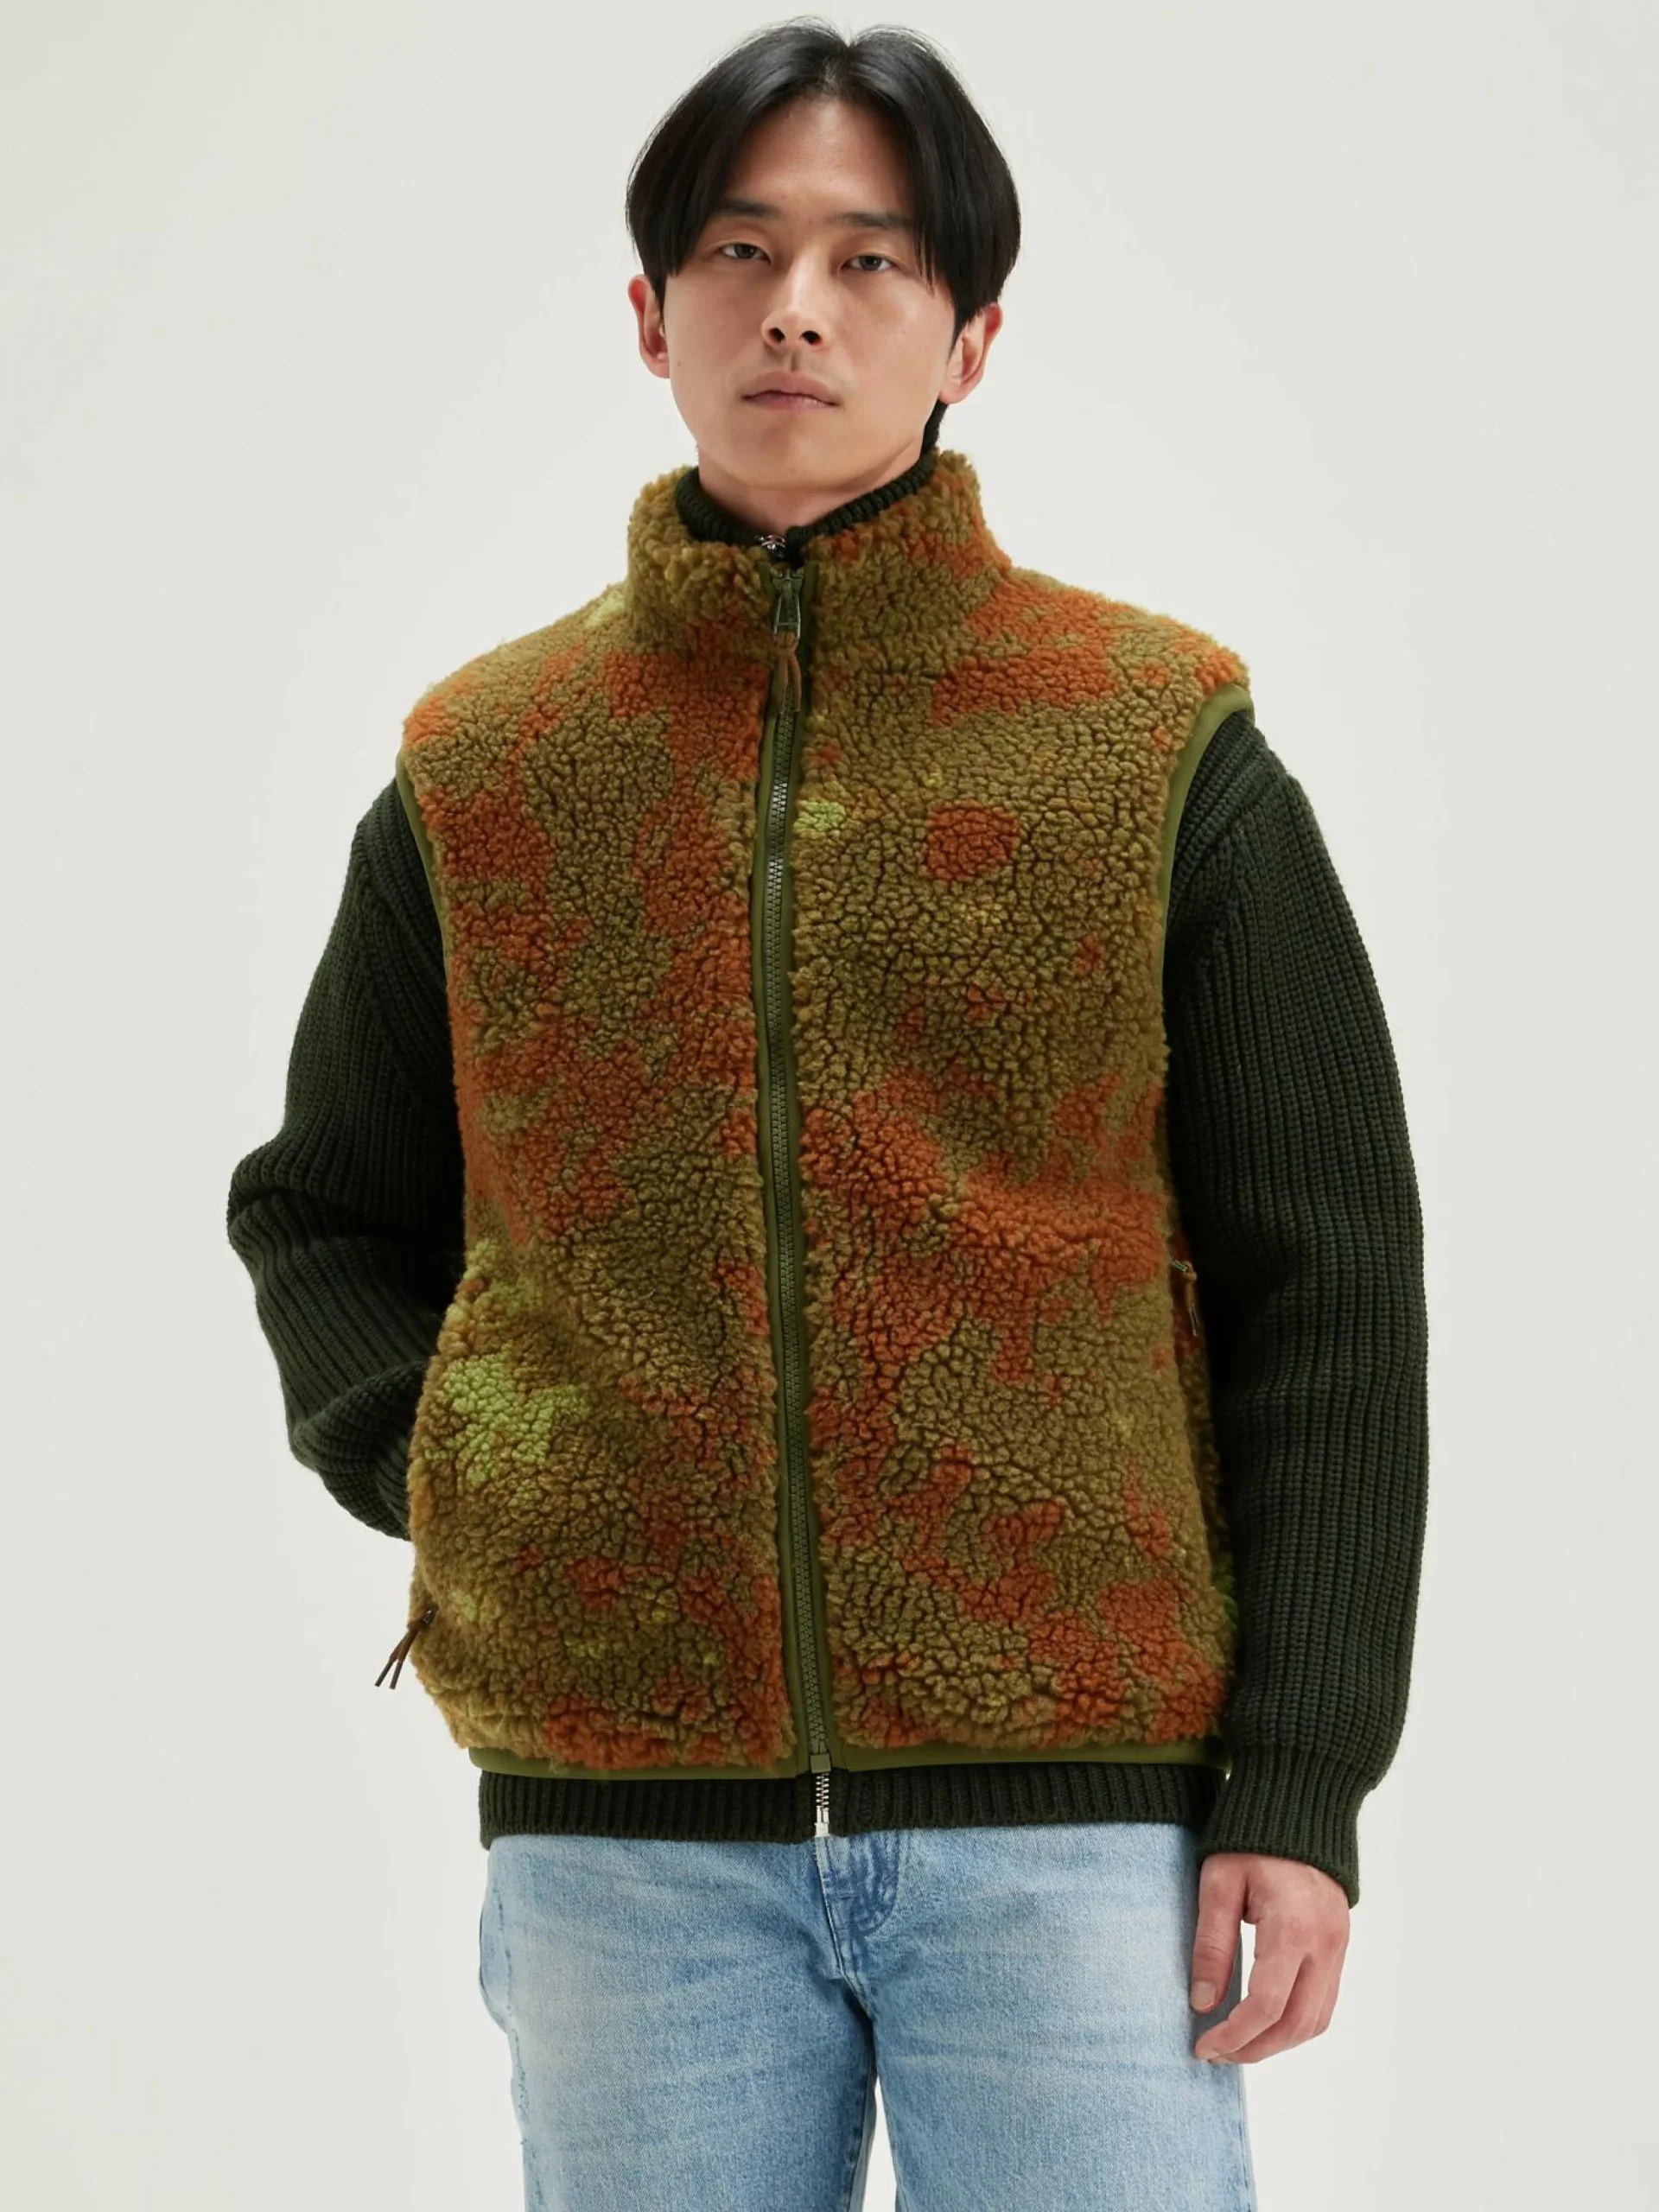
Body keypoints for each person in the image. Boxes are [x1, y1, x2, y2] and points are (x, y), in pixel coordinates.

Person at [226, 18, 1428, 2209]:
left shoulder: (1157, 741)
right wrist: (488, 1479)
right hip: (624, 1840)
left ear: (972, 335)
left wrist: (1301, 1774)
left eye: (872, 260)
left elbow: (1329, 1286)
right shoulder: (485, 769)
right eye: (739, 249)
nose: (798, 307)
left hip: (1080, 1824)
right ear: (651, 315)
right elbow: (323, 1207)